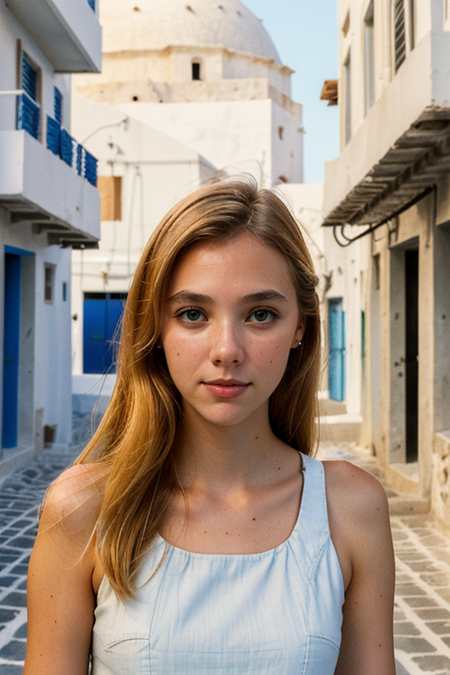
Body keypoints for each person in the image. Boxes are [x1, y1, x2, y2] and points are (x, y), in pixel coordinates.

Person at [24, 178, 395, 675]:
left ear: (300, 329)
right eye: (193, 313)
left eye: (261, 314)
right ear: (156, 326)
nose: (227, 349)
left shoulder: (350, 508)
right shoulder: (85, 509)